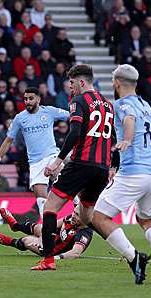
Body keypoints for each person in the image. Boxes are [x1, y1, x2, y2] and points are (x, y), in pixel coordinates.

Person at [93, 65, 151, 285]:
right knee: (145, 218)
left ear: (116, 83)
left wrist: (126, 139)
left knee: (99, 217)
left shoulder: (122, 104)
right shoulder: (146, 106)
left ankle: (134, 258)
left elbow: (129, 120)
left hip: (134, 172)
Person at [41, 64, 117, 258]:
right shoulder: (108, 104)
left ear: (81, 82)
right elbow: (113, 141)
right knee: (88, 217)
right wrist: (115, 166)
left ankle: (48, 260)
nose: (70, 87)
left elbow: (74, 132)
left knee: (50, 207)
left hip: (81, 163)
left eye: (72, 83)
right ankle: (131, 254)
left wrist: (57, 162)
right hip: (101, 168)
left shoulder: (79, 100)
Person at [0, 87, 69, 216]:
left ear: (38, 99)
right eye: (25, 99)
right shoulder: (19, 118)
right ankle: (47, 230)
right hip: (35, 163)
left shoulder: (49, 111)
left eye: (31, 99)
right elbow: (8, 140)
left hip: (52, 156)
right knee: (41, 200)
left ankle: (78, 206)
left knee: (64, 179)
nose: (27, 101)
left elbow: (72, 116)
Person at [0, 206, 93, 270]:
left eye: (77, 215)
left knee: (27, 241)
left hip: (52, 249)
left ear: (86, 218)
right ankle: (15, 226)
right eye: (74, 212)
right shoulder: (70, 218)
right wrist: (43, 236)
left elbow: (75, 253)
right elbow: (51, 225)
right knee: (39, 227)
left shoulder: (84, 233)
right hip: (52, 237)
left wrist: (55, 258)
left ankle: (11, 241)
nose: (73, 216)